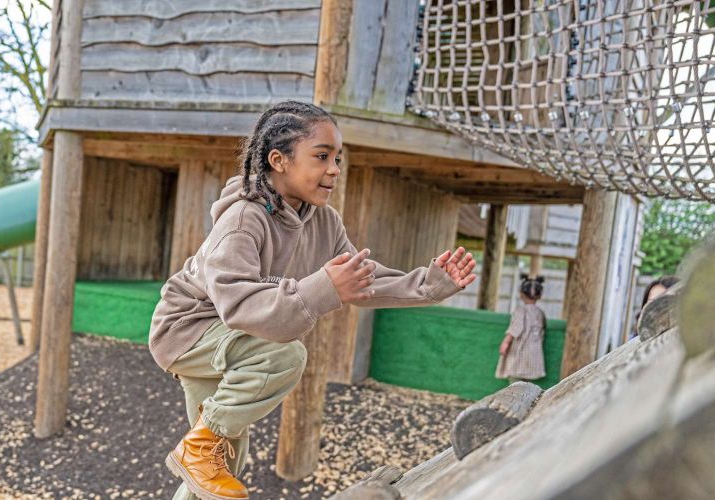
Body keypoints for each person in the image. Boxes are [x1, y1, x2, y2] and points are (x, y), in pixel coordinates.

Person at [149, 101, 478, 500]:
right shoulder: (243, 220)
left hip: (231, 339)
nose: (335, 169)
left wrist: (430, 285)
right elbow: (237, 307)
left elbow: (361, 278)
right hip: (189, 329)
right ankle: (199, 448)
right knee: (282, 355)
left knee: (217, 468)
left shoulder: (325, 222)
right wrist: (323, 288)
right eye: (321, 156)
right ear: (279, 160)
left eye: (337, 158)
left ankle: (199, 451)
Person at [495, 274, 547, 384]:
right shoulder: (540, 313)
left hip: (520, 350)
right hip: (534, 353)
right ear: (540, 295)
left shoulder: (520, 310)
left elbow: (516, 328)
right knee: (528, 379)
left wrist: (505, 343)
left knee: (515, 377)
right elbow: (542, 332)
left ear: (521, 293)